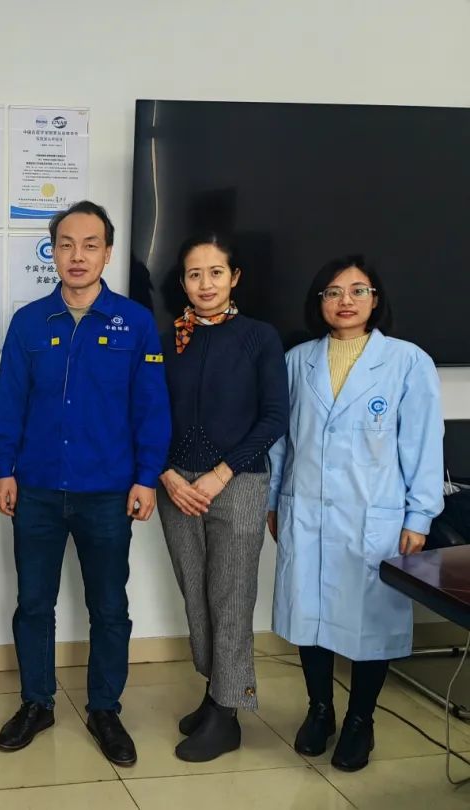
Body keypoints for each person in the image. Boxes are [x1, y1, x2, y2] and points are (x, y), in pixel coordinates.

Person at [0, 200, 170, 766]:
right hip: (37, 489)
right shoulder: (28, 322)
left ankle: (105, 709)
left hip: (109, 492)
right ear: (53, 251)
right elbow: (8, 402)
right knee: (33, 603)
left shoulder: (135, 323)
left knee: (109, 606)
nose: (77, 255)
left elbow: (151, 407)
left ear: (107, 253)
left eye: (91, 245)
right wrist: (4, 469)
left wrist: (146, 478)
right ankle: (37, 702)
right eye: (66, 244)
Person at [268, 255, 444, 772]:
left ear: (375, 299)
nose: (345, 301)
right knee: (310, 615)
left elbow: (423, 445)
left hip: (375, 517)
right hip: (305, 510)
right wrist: (273, 501)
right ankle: (320, 711)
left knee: (371, 621)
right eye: (333, 292)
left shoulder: (407, 362)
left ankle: (360, 721)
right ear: (318, 302)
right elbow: (280, 443)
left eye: (358, 290)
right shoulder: (296, 361)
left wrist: (419, 517)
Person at [156, 233, 289, 761]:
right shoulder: (171, 338)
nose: (205, 284)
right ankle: (216, 694)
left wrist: (219, 474)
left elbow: (274, 417)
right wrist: (166, 473)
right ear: (183, 282)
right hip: (176, 485)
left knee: (230, 597)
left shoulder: (259, 336)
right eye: (194, 274)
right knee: (195, 592)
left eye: (215, 273)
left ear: (234, 278)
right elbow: (147, 412)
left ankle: (228, 714)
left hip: (237, 483)